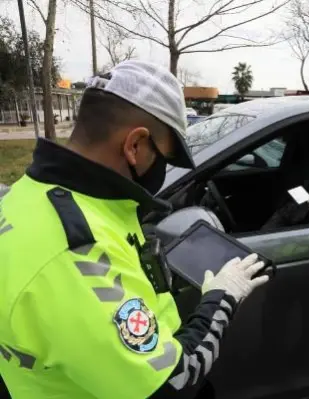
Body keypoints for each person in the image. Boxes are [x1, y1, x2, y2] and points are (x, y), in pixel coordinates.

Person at [0, 60, 269, 399]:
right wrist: (222, 299)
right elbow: (173, 384)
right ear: (135, 145)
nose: (163, 170)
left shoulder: (24, 196)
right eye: (165, 158)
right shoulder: (77, 253)